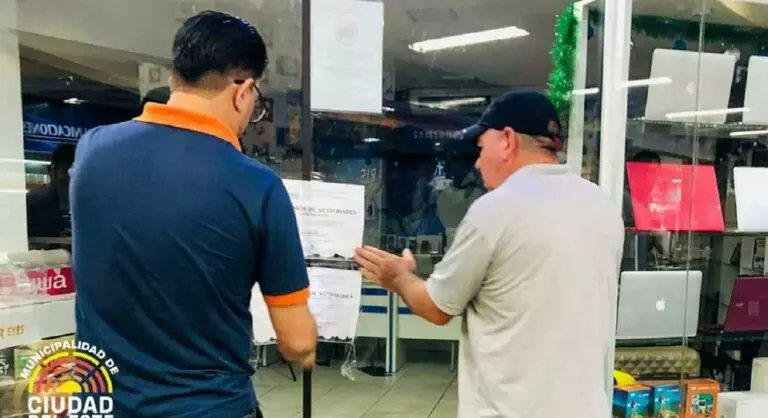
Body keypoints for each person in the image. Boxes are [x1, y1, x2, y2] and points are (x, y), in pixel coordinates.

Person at [70, 11, 316, 418]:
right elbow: (297, 342)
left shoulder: (92, 149)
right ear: (244, 90)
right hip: (209, 406)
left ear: (175, 78)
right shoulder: (257, 187)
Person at [355, 91, 625, 418]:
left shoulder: (496, 210)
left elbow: (437, 307)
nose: (477, 163)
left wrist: (398, 276)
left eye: (481, 148)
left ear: (507, 140)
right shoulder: (603, 206)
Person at [27, 143, 75, 237]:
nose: (70, 178)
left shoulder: (84, 203)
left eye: (74, 172)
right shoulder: (34, 202)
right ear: (51, 170)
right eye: (66, 171)